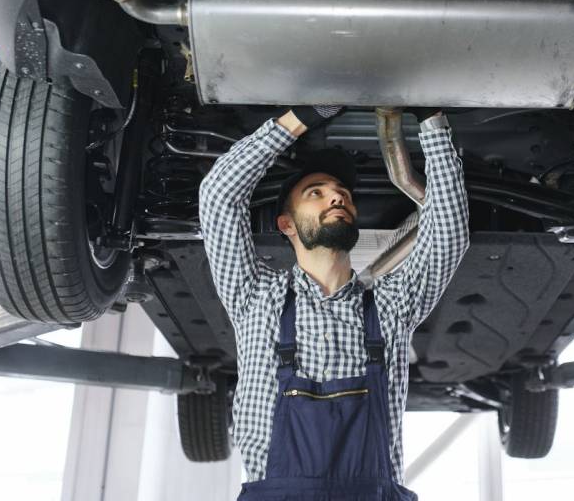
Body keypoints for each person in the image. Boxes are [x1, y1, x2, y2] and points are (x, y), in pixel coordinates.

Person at [199, 105, 470, 500]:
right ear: (286, 224)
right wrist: (302, 116)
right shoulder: (254, 298)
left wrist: (431, 122)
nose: (337, 198)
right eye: (317, 194)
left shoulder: (392, 306)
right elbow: (219, 194)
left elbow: (449, 232)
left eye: (342, 195)